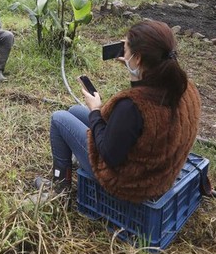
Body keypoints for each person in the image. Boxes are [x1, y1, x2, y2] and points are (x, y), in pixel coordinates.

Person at [38, 20, 200, 202]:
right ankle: (76, 157)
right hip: (159, 174)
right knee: (75, 110)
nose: (123, 50)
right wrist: (135, 68)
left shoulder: (132, 106)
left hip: (127, 183)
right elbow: (145, 105)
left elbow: (109, 155)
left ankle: (60, 190)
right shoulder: (182, 87)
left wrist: (95, 110)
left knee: (59, 118)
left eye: (126, 48)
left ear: (138, 58)